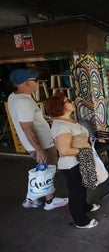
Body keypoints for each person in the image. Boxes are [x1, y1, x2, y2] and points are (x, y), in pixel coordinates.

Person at [7, 68, 68, 210]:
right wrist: (39, 150)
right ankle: (49, 201)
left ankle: (31, 197)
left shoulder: (14, 96)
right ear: (27, 83)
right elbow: (27, 127)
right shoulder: (24, 102)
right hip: (42, 144)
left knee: (42, 170)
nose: (37, 83)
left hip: (35, 144)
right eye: (35, 80)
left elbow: (27, 118)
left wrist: (44, 118)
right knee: (48, 171)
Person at [44, 93, 100, 229]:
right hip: (71, 165)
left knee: (82, 187)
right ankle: (80, 221)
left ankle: (85, 207)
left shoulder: (67, 121)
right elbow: (64, 150)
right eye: (67, 101)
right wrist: (85, 152)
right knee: (75, 192)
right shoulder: (61, 126)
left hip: (78, 161)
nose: (71, 102)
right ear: (59, 107)